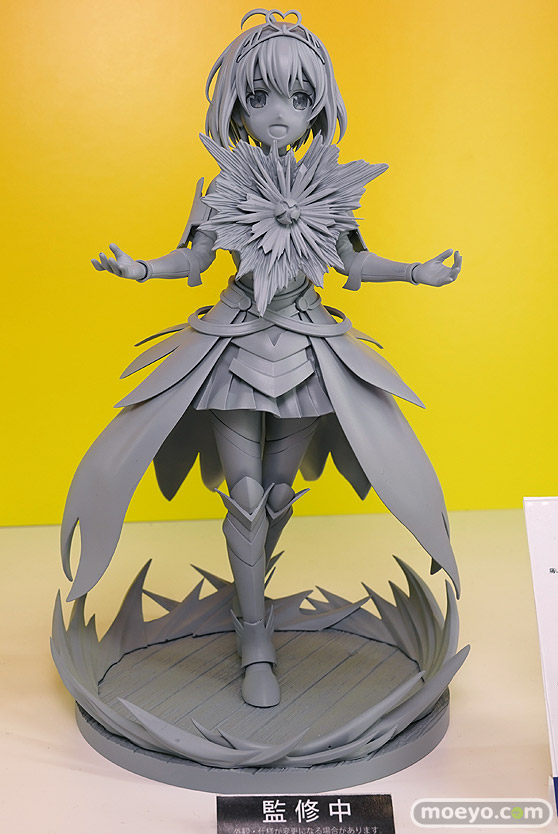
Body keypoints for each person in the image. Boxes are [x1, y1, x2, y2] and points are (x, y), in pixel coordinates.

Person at [62, 9, 462, 708]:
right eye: (261, 96)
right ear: (236, 105)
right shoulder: (224, 185)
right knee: (245, 499)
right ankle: (255, 641)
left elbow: (355, 261)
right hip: (236, 345)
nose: (280, 113)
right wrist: (141, 268)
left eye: (299, 98)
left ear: (318, 107)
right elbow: (193, 258)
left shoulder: (330, 187)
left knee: (277, 495)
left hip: (307, 350)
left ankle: (256, 607)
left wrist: (416, 273)